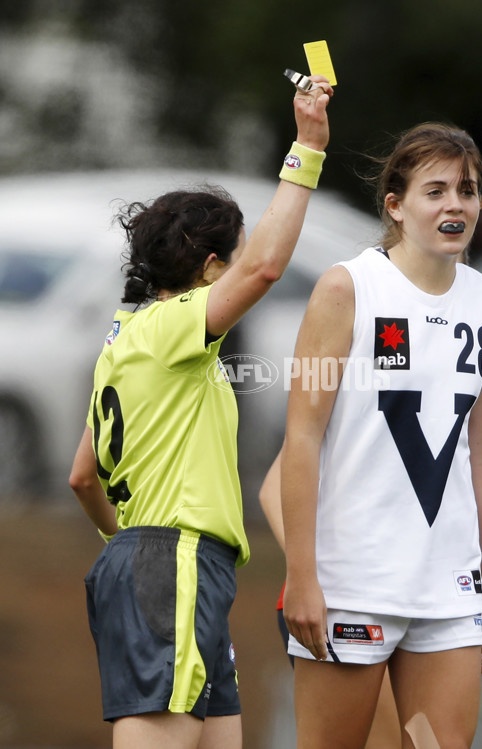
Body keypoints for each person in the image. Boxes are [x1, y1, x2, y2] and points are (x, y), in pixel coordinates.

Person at [68, 72, 333, 749]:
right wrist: (307, 146)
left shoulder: (126, 342)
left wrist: (127, 545)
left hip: (170, 561)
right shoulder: (172, 329)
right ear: (212, 268)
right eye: (235, 255)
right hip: (173, 559)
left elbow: (83, 477)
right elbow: (268, 267)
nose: (247, 269)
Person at [280, 122, 482, 749]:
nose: (455, 205)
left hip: (449, 587)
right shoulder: (346, 287)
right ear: (395, 205)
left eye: (466, 191)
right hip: (352, 583)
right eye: (435, 190)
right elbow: (300, 438)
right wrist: (302, 573)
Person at [259, 449, 482, 749]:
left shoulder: (457, 408)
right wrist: (313, 579)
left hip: (422, 603)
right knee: (384, 742)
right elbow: (273, 489)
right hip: (357, 607)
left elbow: (448, 498)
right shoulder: (351, 405)